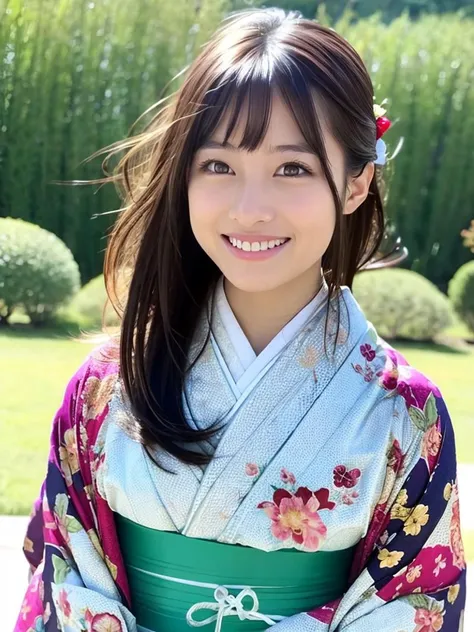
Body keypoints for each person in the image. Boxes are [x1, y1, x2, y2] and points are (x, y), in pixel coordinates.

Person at [15, 8, 465, 632]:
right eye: (219, 166)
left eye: (292, 168)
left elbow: (414, 601)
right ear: (185, 177)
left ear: (356, 182)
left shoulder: (401, 414)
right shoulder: (104, 388)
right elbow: (62, 571)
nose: (251, 209)